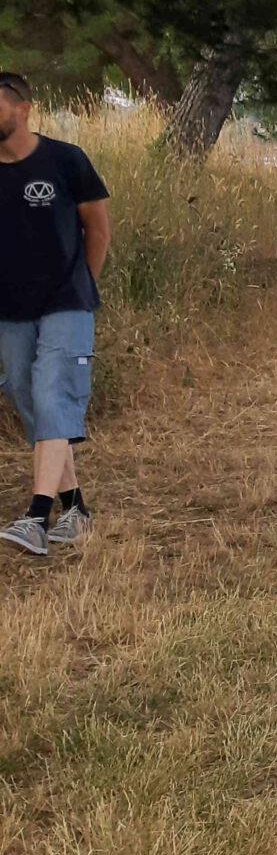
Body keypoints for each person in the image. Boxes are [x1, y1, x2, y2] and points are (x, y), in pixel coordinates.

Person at [0, 71, 111, 559]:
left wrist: (82, 284)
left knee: (52, 394)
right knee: (32, 401)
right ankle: (76, 509)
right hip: (11, 310)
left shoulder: (66, 160)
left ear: (22, 109)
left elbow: (97, 227)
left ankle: (36, 517)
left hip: (67, 301)